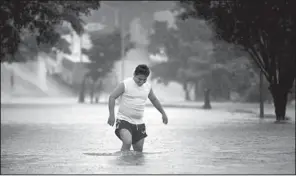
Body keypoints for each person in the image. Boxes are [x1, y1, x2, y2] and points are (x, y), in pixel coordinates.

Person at [107, 64, 168, 152]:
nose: (142, 82)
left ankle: (133, 165)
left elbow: (154, 100)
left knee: (138, 151)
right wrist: (111, 115)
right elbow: (112, 97)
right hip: (124, 120)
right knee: (127, 142)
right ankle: (122, 164)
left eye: (144, 79)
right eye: (139, 79)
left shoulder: (147, 87)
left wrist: (163, 113)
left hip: (139, 123)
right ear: (134, 74)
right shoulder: (125, 84)